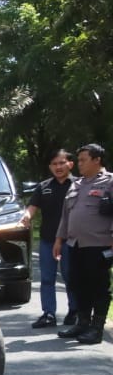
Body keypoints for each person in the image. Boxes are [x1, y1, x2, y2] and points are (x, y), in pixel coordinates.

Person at [53, 143, 113, 345]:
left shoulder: (110, 182)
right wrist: (59, 240)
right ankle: (82, 322)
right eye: (78, 160)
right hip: (75, 243)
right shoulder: (76, 184)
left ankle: (96, 329)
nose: (79, 164)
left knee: (99, 286)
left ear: (97, 160)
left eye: (83, 160)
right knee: (78, 285)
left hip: (100, 243)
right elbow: (66, 215)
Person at [21, 150, 78, 328]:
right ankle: (49, 314)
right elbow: (32, 207)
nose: (58, 167)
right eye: (54, 164)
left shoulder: (79, 185)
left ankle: (74, 312)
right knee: (47, 278)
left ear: (71, 164)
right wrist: (26, 217)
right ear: (50, 167)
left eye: (62, 163)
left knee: (71, 277)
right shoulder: (44, 186)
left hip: (72, 240)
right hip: (47, 240)